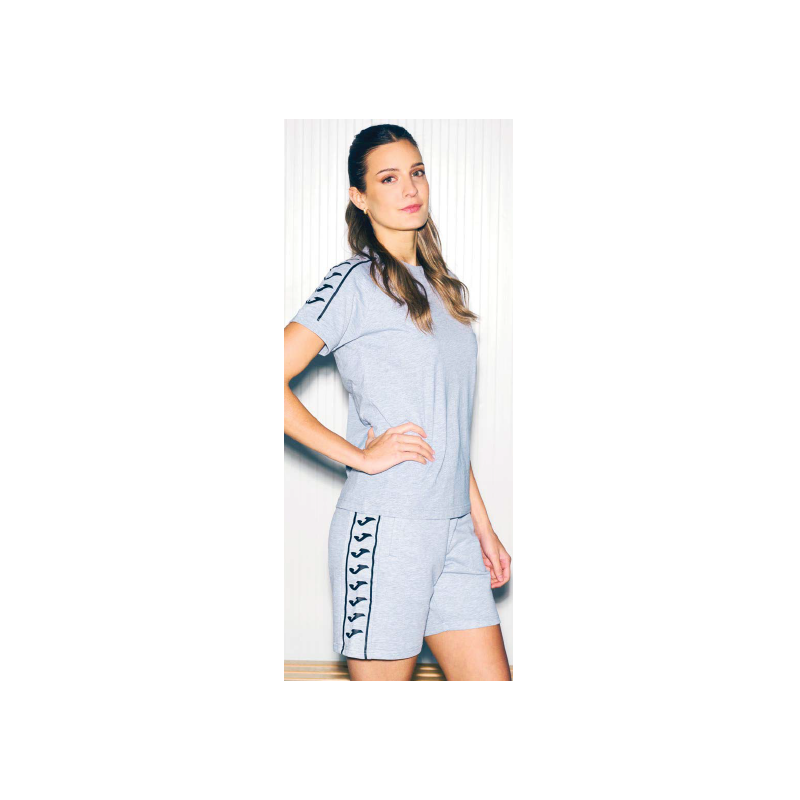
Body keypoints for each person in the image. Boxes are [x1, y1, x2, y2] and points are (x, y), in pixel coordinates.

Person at [284, 123, 511, 681]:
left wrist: (481, 526)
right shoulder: (354, 283)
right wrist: (359, 456)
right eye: (388, 178)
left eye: (417, 172)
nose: (410, 188)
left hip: (454, 531)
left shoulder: (445, 291)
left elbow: (447, 424)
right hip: (388, 531)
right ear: (359, 197)